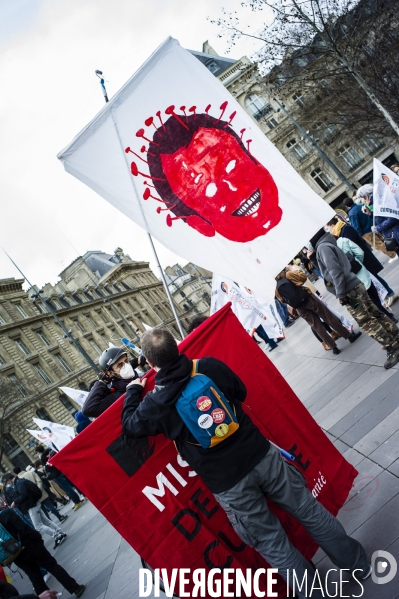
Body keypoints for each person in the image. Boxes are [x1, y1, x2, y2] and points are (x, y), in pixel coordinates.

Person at [122, 328, 371, 599]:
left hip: (228, 483)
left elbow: (130, 427)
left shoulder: (155, 404)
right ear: (177, 347)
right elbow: (240, 391)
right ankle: (358, 566)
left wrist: (133, 392)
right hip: (261, 455)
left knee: (272, 543)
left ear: (149, 363)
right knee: (309, 511)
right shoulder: (207, 366)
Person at [310, 228, 399, 369]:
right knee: (376, 313)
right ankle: (396, 337)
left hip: (349, 290)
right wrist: (314, 259)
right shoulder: (327, 243)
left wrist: (340, 294)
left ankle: (391, 348)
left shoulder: (322, 247)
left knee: (367, 322)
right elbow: (328, 269)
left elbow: (335, 272)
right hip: (355, 284)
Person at [0, 504, 85, 598]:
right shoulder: (6, 513)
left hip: (15, 555)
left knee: (35, 577)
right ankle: (75, 588)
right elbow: (24, 528)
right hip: (29, 545)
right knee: (52, 566)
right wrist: (37, 536)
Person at [276, 269, 361, 354]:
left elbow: (282, 300)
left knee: (316, 326)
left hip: (299, 308)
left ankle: (334, 347)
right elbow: (303, 277)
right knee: (328, 317)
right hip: (309, 299)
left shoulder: (275, 287)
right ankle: (349, 336)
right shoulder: (288, 274)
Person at [325, 216, 398, 307]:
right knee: (372, 279)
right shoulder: (339, 232)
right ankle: (386, 296)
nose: (328, 230)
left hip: (363, 257)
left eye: (328, 228)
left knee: (374, 277)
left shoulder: (345, 228)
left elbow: (351, 245)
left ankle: (390, 294)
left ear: (332, 225)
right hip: (358, 259)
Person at [82, 347, 146, 418]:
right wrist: (102, 382)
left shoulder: (142, 376)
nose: (127, 366)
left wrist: (137, 361)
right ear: (110, 373)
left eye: (126, 361)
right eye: (120, 365)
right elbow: (88, 409)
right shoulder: (115, 396)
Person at [11, 471, 67, 550]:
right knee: (46, 521)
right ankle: (61, 532)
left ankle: (57, 536)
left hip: (31, 505)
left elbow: (24, 494)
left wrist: (15, 501)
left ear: (9, 479)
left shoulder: (19, 483)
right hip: (35, 502)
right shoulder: (21, 481)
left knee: (38, 526)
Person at [357, 184, 399, 263]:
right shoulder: (376, 203)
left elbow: (392, 217)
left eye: (361, 198)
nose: (362, 201)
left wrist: (378, 228)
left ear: (366, 196)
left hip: (396, 233)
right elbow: (382, 217)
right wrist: (370, 214)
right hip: (393, 234)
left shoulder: (380, 202)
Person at [35, 446, 84, 512]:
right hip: (60, 469)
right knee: (72, 483)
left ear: (38, 452)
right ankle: (83, 494)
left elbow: (47, 467)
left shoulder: (43, 457)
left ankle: (77, 501)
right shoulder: (50, 450)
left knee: (67, 488)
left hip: (55, 474)